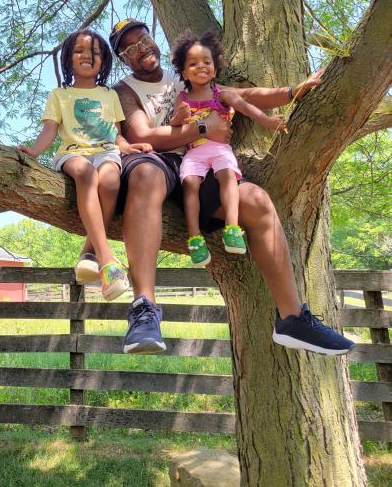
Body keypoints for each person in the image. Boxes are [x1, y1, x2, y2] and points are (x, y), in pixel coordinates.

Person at [109, 18, 354, 356]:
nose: (141, 49)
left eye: (143, 39)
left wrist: (291, 92)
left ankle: (293, 318)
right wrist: (203, 130)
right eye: (130, 48)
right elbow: (142, 136)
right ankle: (144, 310)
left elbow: (242, 96)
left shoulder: (184, 78)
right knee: (146, 175)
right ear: (124, 59)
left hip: (199, 165)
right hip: (157, 163)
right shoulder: (124, 90)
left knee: (255, 198)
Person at [18, 28, 151, 301]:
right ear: (68, 59)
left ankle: (87, 254)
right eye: (79, 51)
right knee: (87, 174)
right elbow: (50, 130)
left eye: (94, 52)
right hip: (73, 153)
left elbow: (115, 131)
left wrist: (125, 147)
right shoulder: (60, 95)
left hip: (107, 152)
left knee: (112, 180)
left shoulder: (109, 94)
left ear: (104, 60)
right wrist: (33, 151)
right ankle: (107, 260)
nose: (87, 56)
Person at [170, 30, 287, 264]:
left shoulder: (221, 94)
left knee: (227, 177)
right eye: (193, 64)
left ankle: (232, 229)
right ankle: (195, 238)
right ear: (184, 72)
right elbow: (175, 127)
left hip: (219, 148)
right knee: (190, 185)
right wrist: (177, 117)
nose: (201, 67)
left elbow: (245, 106)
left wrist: (269, 121)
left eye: (206, 62)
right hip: (194, 152)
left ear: (215, 67)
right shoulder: (182, 98)